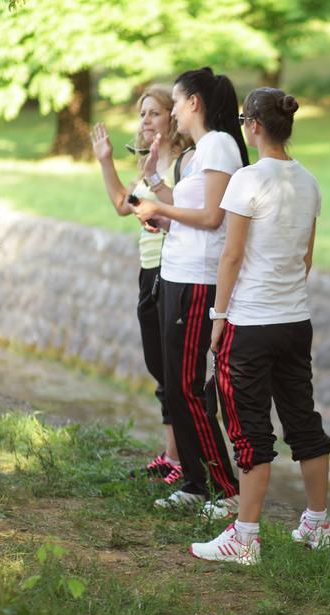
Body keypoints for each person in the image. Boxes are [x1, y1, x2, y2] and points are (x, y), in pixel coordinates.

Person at [189, 88, 330, 564]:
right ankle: (316, 523)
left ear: (251, 125)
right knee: (303, 421)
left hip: (250, 323)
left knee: (249, 429)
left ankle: (245, 536)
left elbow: (231, 256)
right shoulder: (308, 181)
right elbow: (306, 258)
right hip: (295, 321)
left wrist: (218, 317)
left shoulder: (247, 180)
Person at [131, 67, 245, 514]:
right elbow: (187, 208)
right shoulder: (199, 151)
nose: (173, 111)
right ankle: (197, 483)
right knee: (176, 385)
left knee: (188, 386)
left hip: (199, 278)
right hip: (176, 271)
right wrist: (158, 193)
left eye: (176, 102)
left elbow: (215, 216)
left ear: (193, 102)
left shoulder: (218, 144)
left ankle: (224, 488)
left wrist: (162, 206)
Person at [91, 86, 192, 483]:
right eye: (142, 115)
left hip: (174, 272)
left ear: (172, 116)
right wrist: (104, 161)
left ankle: (185, 458)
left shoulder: (184, 163)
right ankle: (173, 453)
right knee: (157, 364)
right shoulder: (150, 164)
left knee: (172, 367)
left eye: (153, 113)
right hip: (148, 270)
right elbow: (124, 205)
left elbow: (187, 214)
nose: (145, 121)